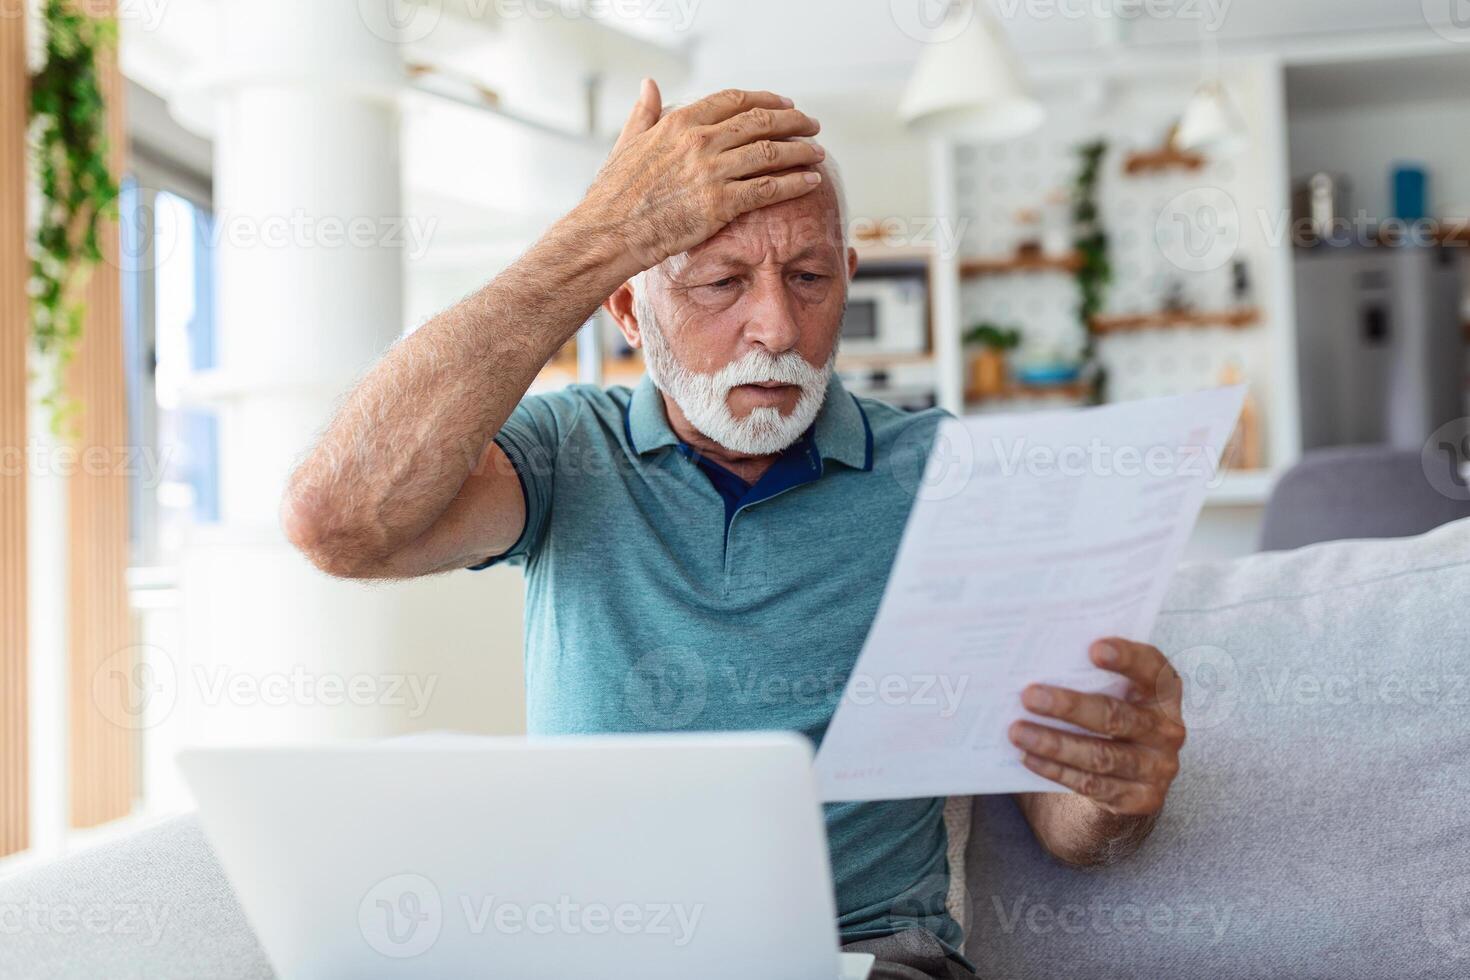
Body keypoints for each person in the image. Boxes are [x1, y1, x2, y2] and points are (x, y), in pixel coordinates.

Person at [282, 79, 1187, 980]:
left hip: (864, 961)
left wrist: (1115, 794)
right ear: (629, 308)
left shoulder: (943, 477)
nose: (776, 328)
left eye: (808, 277)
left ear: (848, 280)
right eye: (720, 282)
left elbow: (1062, 822)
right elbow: (339, 523)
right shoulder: (566, 455)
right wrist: (599, 238)